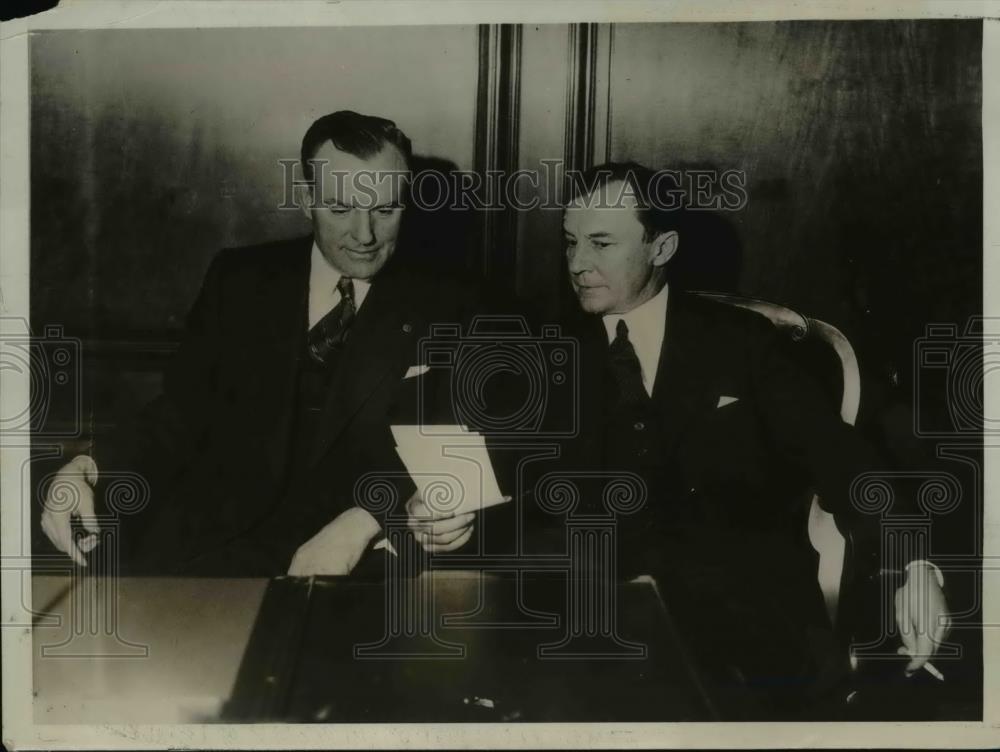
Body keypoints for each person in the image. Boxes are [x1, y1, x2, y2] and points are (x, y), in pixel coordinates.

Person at [409, 160, 950, 718]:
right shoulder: (543, 345)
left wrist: (913, 564)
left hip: (742, 620)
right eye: (570, 242)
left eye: (600, 243)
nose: (577, 264)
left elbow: (843, 460)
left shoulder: (743, 343)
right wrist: (439, 509)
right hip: (585, 618)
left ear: (661, 247)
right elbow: (480, 460)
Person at [40, 110, 476, 576]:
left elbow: (468, 442)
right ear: (308, 201)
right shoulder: (240, 279)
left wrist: (368, 520)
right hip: (214, 550)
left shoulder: (452, 303)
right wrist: (90, 467)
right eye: (341, 208)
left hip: (359, 563)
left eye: (385, 210)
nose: (364, 235)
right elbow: (181, 413)